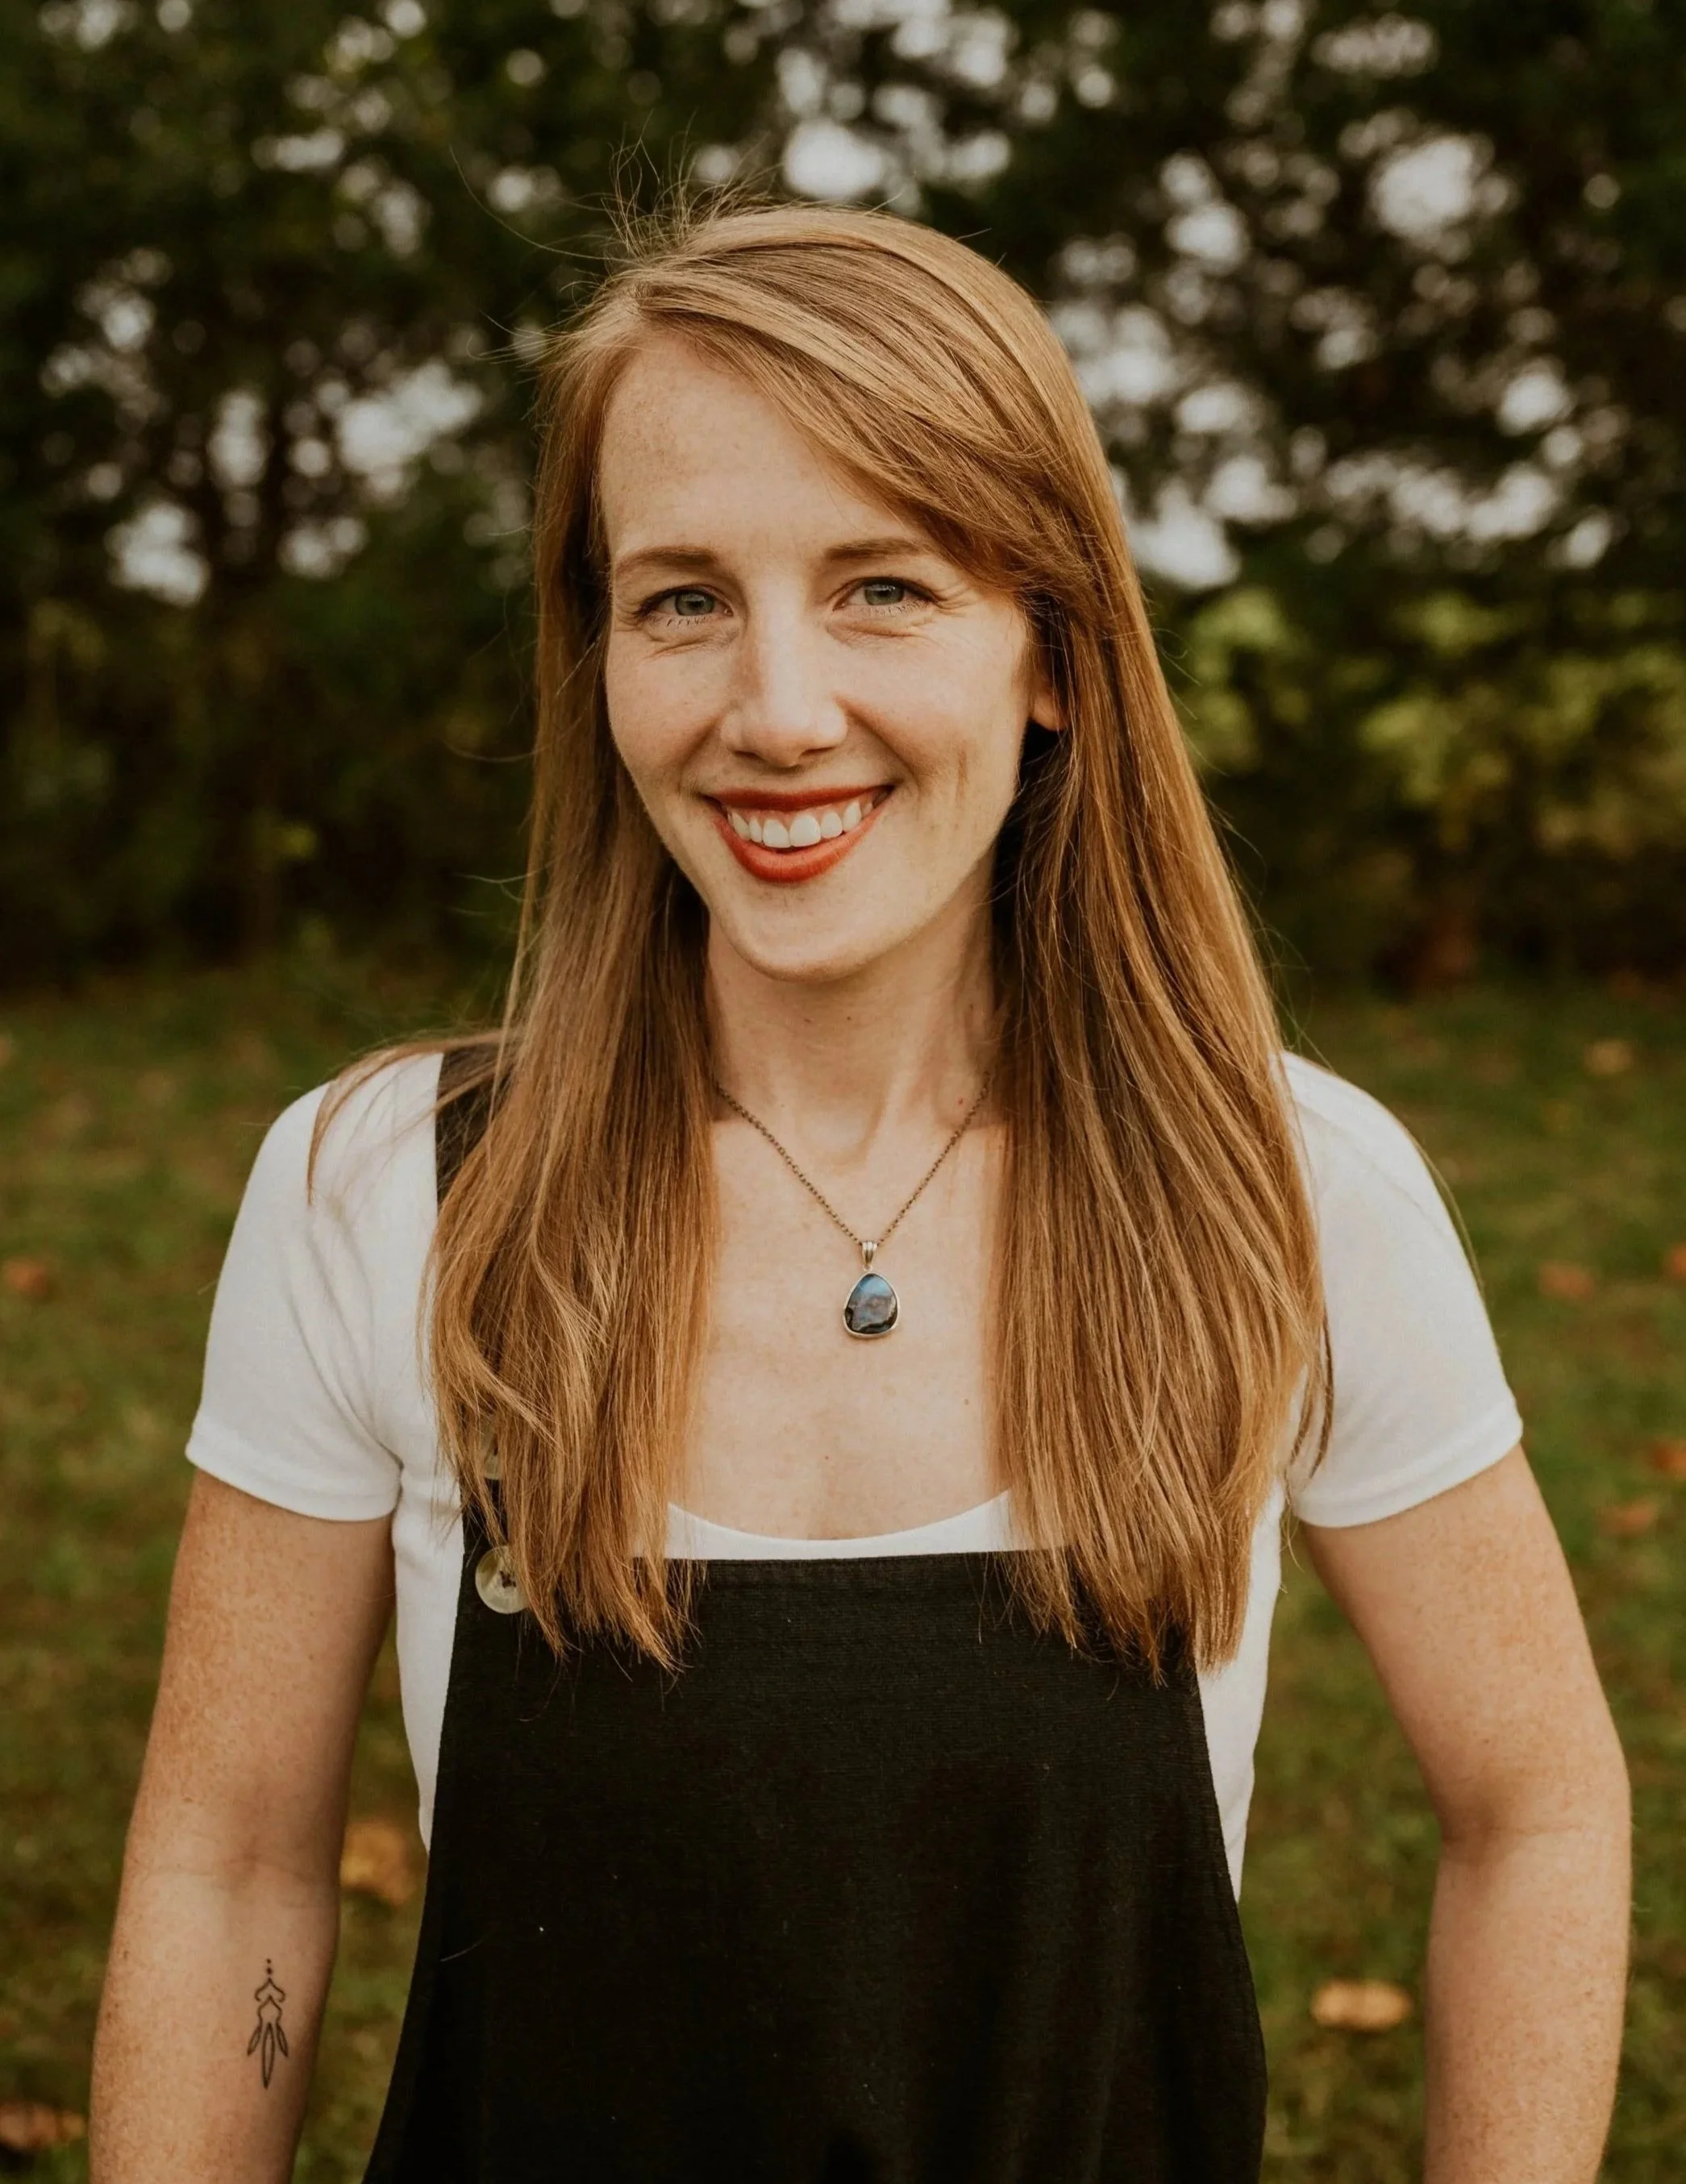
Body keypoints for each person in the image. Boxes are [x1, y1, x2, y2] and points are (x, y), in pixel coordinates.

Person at [90, 201, 1630, 2183]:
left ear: (1054, 652)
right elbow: (223, 1869)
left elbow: (1535, 1802)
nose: (777, 706)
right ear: (600, 658)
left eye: (883, 587)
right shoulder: (385, 1196)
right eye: (682, 599)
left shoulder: (1281, 1188)